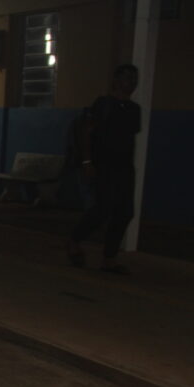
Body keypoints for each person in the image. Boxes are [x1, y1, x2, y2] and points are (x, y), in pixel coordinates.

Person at [68, 63, 141, 274]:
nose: (132, 83)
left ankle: (109, 259)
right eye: (128, 78)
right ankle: (74, 240)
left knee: (125, 212)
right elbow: (86, 133)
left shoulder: (134, 110)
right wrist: (87, 162)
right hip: (103, 166)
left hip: (125, 168)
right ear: (117, 80)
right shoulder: (103, 104)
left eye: (135, 79)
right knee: (103, 209)